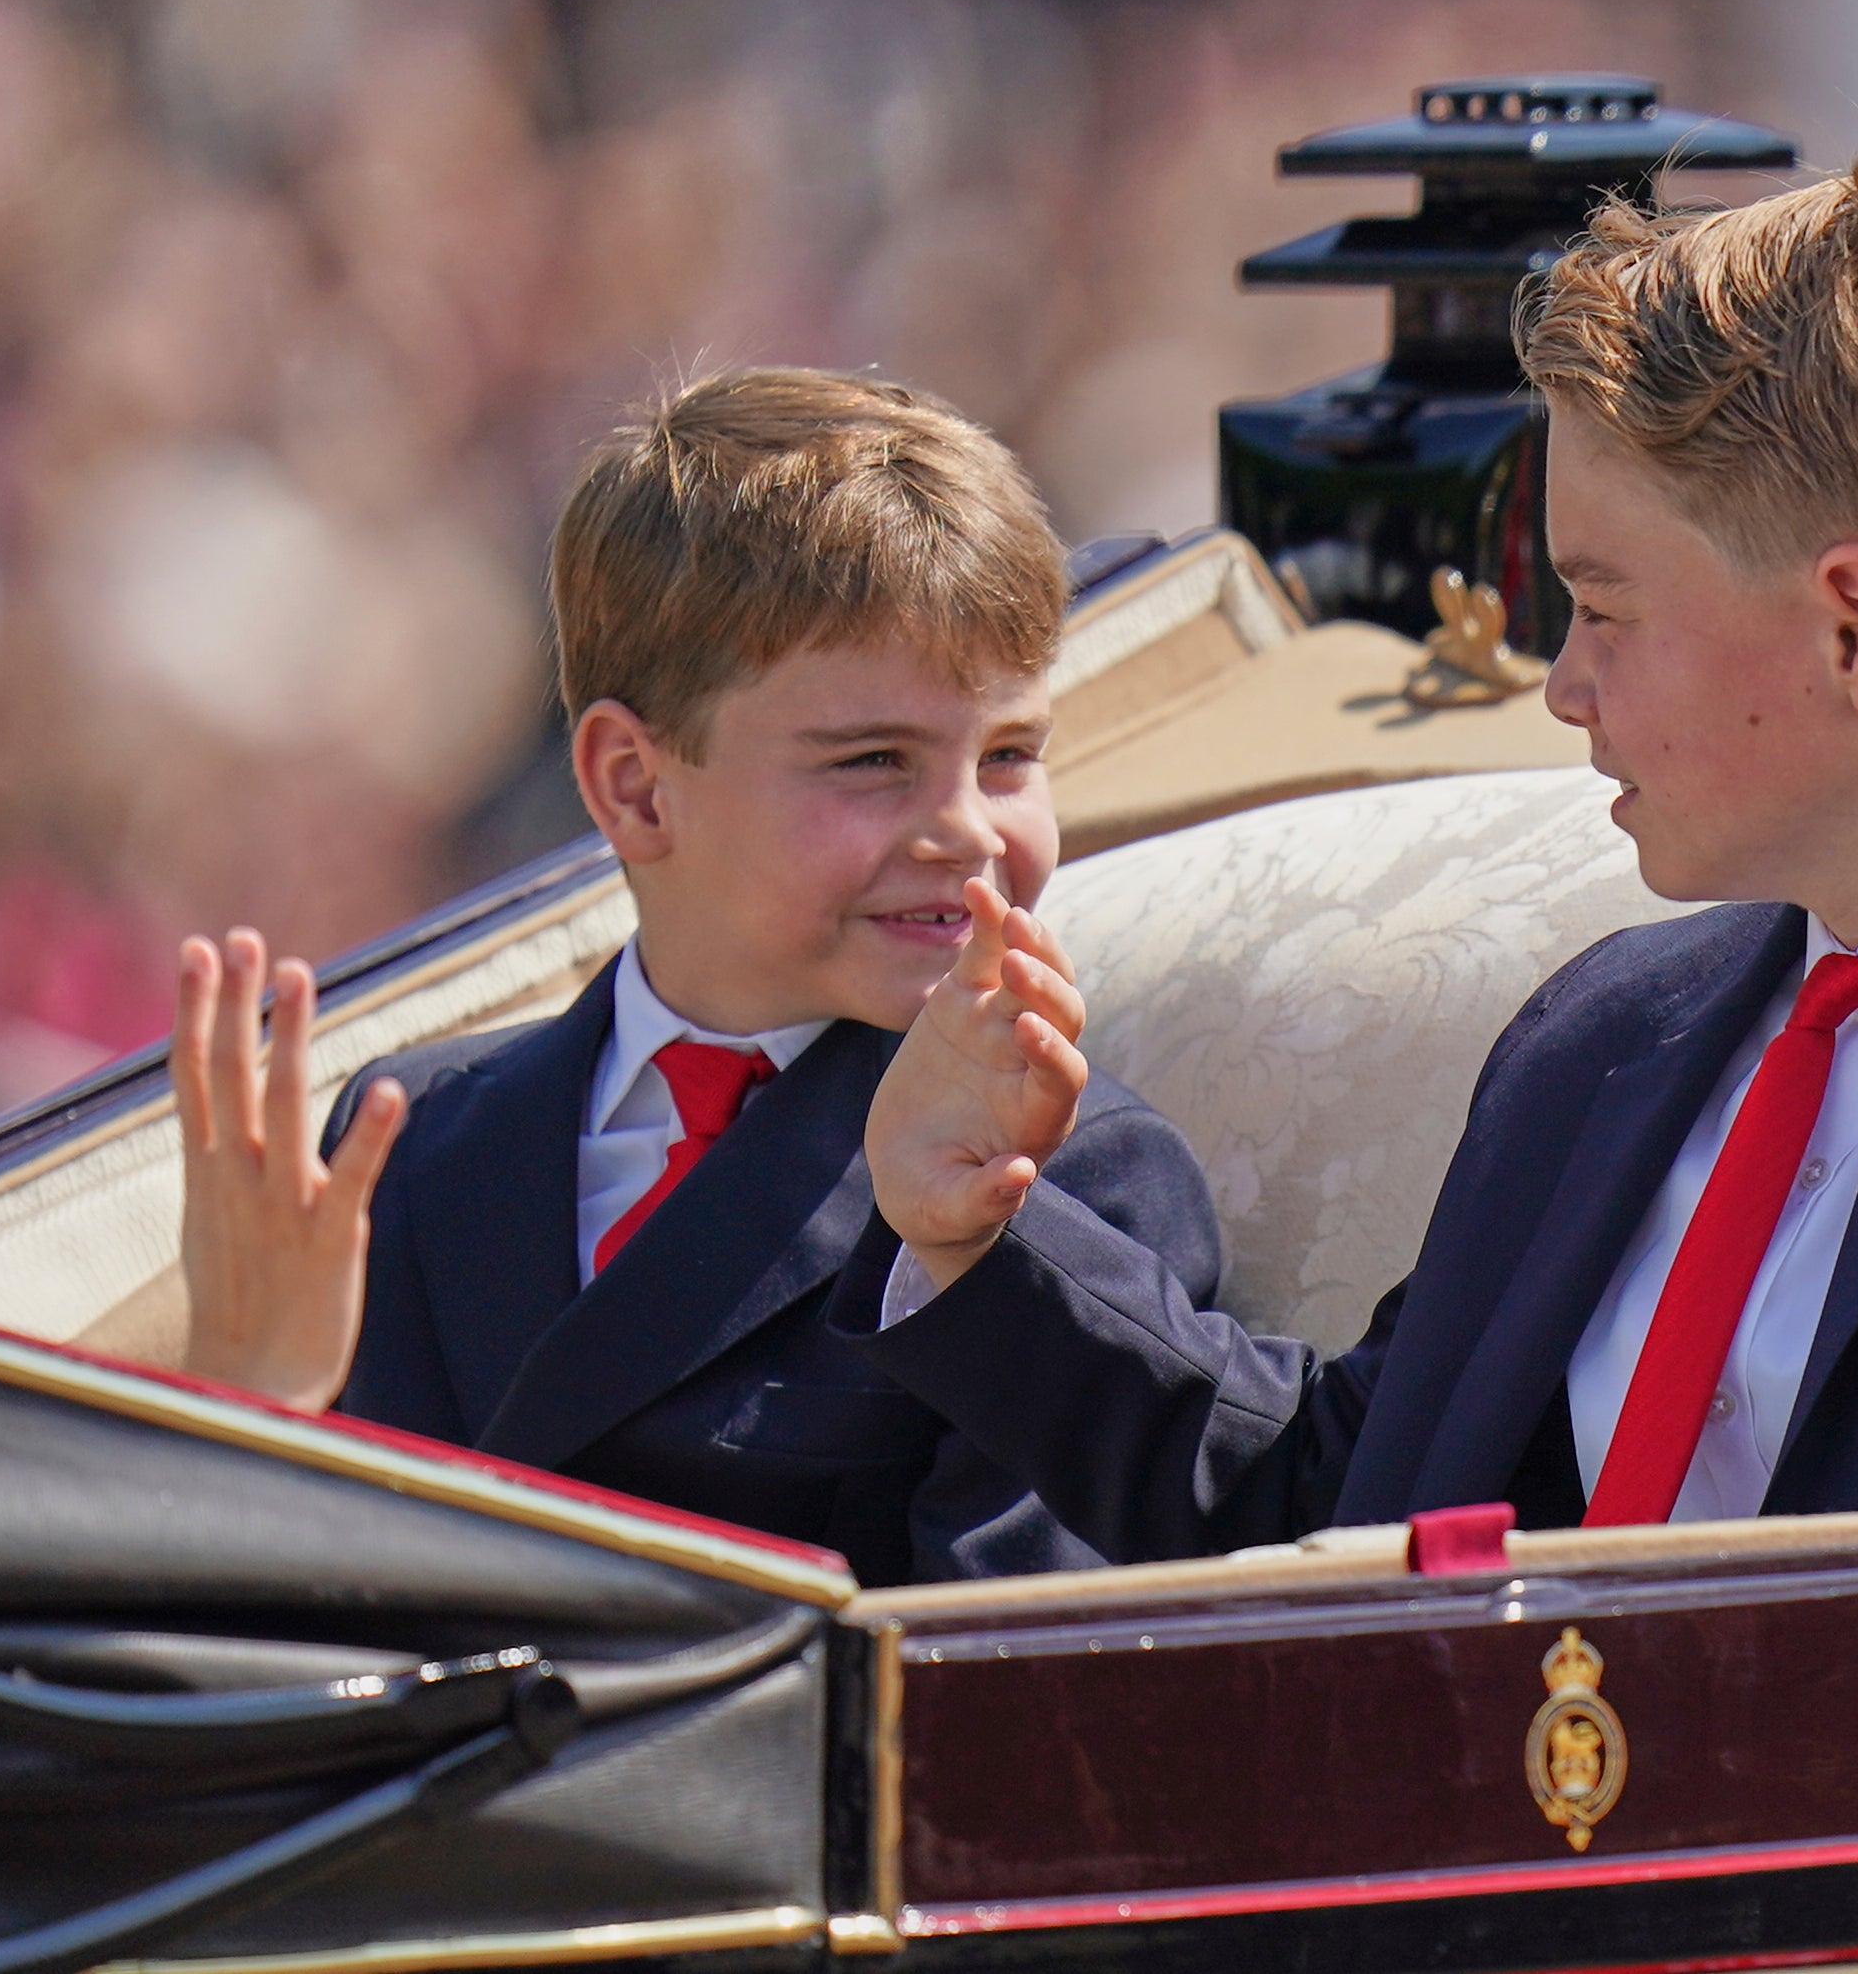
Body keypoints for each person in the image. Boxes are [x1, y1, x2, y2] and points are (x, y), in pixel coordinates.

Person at [839, 154, 1858, 1558]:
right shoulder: (1611, 1031)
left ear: (1854, 630)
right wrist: (980, 1233)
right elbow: (1343, 1515)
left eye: (1604, 608)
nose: (1560, 683)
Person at [164, 368, 1222, 1585]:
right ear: (633, 784)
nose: (968, 831)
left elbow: (998, 1694)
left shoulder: (1067, 1180)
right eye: (874, 760)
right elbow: (275, 1656)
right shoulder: (406, 1141)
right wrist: (251, 1413)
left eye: (1009, 756)